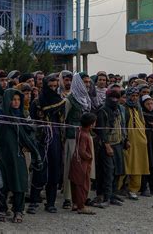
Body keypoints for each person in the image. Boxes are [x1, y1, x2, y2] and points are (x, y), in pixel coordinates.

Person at [0, 89, 42, 223]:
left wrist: (29, 146)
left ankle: (18, 210)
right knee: (2, 183)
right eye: (13, 99)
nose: (16, 102)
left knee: (19, 181)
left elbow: (29, 134)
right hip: (3, 154)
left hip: (19, 154)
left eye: (18, 100)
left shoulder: (21, 115)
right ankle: (2, 209)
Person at [28, 74, 66, 214]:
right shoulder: (37, 103)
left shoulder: (60, 101)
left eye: (55, 86)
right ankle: (34, 201)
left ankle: (50, 203)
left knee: (55, 170)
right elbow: (32, 121)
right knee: (39, 169)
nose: (52, 88)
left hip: (55, 139)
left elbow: (62, 121)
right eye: (50, 86)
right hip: (41, 139)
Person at [63, 73, 92, 210]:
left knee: (85, 169)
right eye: (84, 82)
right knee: (72, 168)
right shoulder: (69, 100)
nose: (87, 85)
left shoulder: (86, 99)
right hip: (72, 138)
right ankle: (69, 198)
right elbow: (64, 120)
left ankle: (82, 198)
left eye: (88, 82)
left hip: (86, 137)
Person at [95, 87, 126, 207]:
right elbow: (101, 131)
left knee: (118, 171)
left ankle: (113, 195)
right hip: (107, 145)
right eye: (111, 98)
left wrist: (125, 139)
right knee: (108, 172)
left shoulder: (118, 109)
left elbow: (121, 125)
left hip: (118, 143)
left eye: (116, 98)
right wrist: (107, 145)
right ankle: (106, 196)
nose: (114, 100)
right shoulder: (102, 110)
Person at [122, 87, 149, 200]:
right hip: (128, 141)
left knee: (138, 164)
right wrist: (125, 139)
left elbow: (142, 123)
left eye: (136, 96)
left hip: (140, 141)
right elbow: (122, 125)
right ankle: (117, 189)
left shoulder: (139, 108)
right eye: (132, 95)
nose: (134, 98)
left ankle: (134, 189)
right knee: (125, 164)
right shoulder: (123, 108)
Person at [69, 113, 97, 215]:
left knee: (75, 183)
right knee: (82, 184)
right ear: (91, 124)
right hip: (82, 163)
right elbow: (82, 151)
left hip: (75, 162)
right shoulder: (85, 135)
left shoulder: (80, 131)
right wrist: (90, 156)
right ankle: (81, 206)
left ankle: (75, 204)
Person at [139, 95, 153, 196]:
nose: (150, 106)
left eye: (151, 103)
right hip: (144, 143)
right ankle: (144, 188)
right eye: (147, 104)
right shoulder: (141, 115)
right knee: (145, 164)